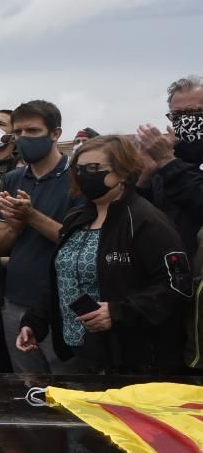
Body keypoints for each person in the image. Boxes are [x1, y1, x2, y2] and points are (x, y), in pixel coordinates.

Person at [19, 135, 192, 374]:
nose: (83, 175)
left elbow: (176, 285)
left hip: (131, 361)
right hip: (75, 354)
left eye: (93, 168)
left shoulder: (147, 221)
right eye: (78, 169)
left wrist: (118, 312)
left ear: (123, 172)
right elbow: (61, 277)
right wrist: (33, 322)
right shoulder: (76, 218)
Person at [0, 100, 77, 373]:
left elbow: (79, 242)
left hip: (62, 304)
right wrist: (15, 226)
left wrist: (31, 217)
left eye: (33, 131)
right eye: (18, 132)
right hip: (16, 300)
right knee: (27, 388)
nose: (24, 139)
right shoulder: (14, 179)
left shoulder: (77, 178)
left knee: (68, 388)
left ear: (55, 133)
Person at [136, 75, 203, 258]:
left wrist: (167, 161)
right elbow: (140, 219)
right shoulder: (166, 161)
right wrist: (145, 179)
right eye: (177, 115)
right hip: (166, 271)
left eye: (193, 113)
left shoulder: (168, 160)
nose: (185, 121)